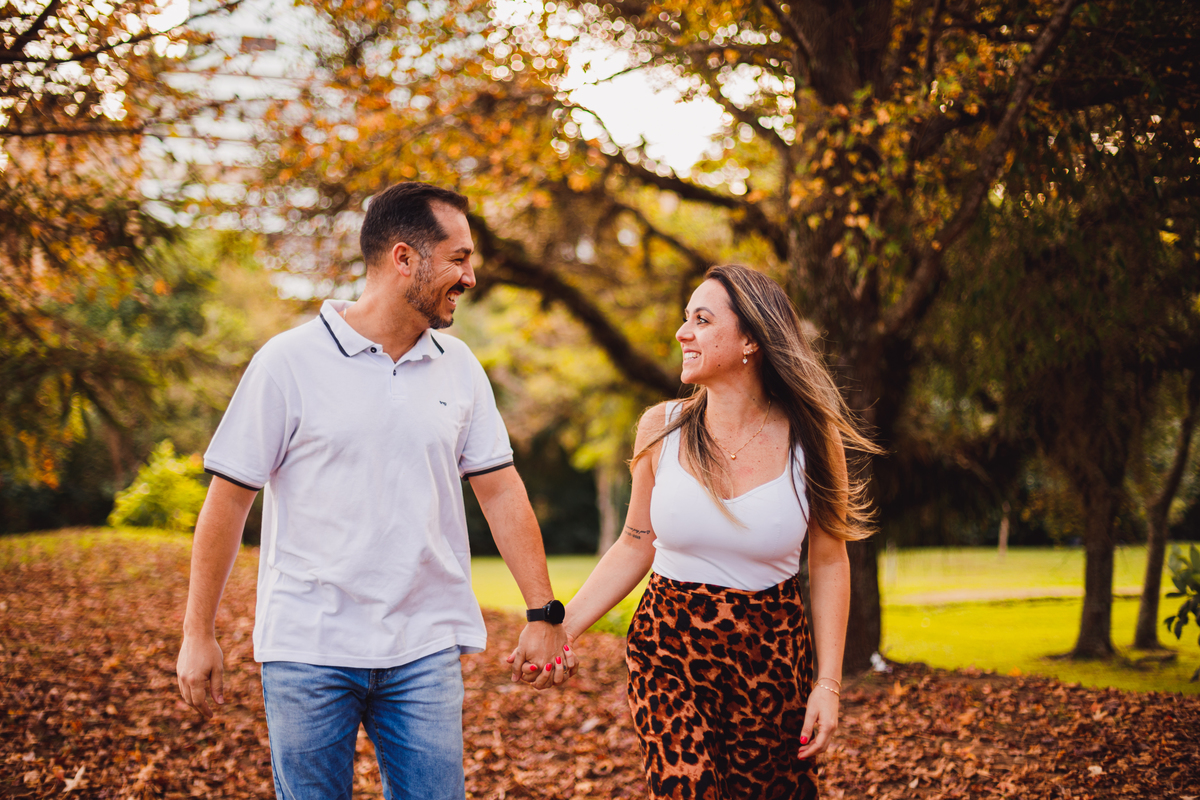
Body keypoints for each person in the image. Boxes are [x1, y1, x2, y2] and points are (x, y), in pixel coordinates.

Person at [175, 182, 575, 800]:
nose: (471, 277)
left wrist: (543, 609)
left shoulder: (460, 366)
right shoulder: (288, 362)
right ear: (404, 258)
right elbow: (229, 500)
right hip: (308, 647)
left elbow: (500, 491)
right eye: (459, 258)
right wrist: (197, 632)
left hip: (424, 650)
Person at [562, 265, 879, 800]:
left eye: (702, 320)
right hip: (668, 648)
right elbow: (635, 543)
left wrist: (828, 684)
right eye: (686, 319)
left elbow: (828, 562)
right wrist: (562, 629)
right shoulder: (661, 427)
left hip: (772, 657)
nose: (683, 333)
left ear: (751, 338)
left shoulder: (813, 439)